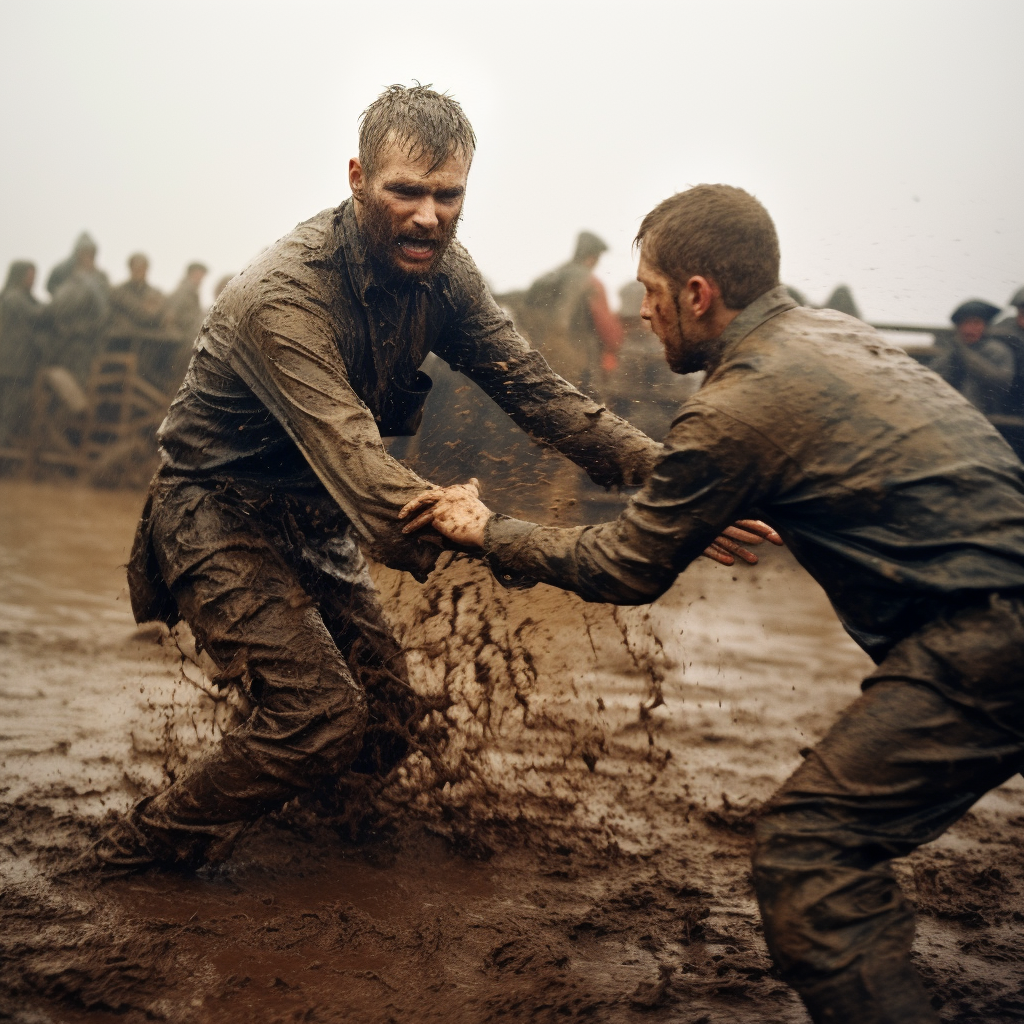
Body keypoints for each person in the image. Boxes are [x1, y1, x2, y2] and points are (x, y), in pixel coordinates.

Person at [97, 86, 762, 873]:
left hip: (312, 516)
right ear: (356, 178)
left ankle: (304, 819)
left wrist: (670, 480)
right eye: (404, 191)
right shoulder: (282, 295)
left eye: (449, 195)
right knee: (319, 717)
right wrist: (501, 534)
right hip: (215, 510)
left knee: (386, 725)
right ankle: (139, 849)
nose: (428, 216)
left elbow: (538, 392)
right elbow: (365, 474)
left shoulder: (449, 278)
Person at [401, 184, 1024, 1024]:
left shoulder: (736, 401)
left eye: (654, 296)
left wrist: (486, 530)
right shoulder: (835, 334)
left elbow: (627, 567)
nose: (647, 315)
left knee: (811, 848)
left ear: (698, 295)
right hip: (993, 606)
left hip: (984, 632)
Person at [517, 231, 623, 397]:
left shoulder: (550, 276)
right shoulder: (590, 282)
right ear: (592, 257)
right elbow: (608, 331)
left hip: (538, 359)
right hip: (577, 364)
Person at [0, 261, 52, 449]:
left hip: (14, 365)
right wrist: (60, 305)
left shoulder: (20, 297)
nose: (32, 280)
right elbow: (38, 315)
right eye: (29, 276)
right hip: (11, 366)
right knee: (7, 412)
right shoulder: (14, 298)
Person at [48, 234, 110, 384]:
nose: (87, 257)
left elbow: (104, 303)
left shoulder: (99, 276)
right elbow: (55, 294)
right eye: (84, 252)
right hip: (69, 333)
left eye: (91, 253)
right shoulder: (64, 271)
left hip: (91, 332)